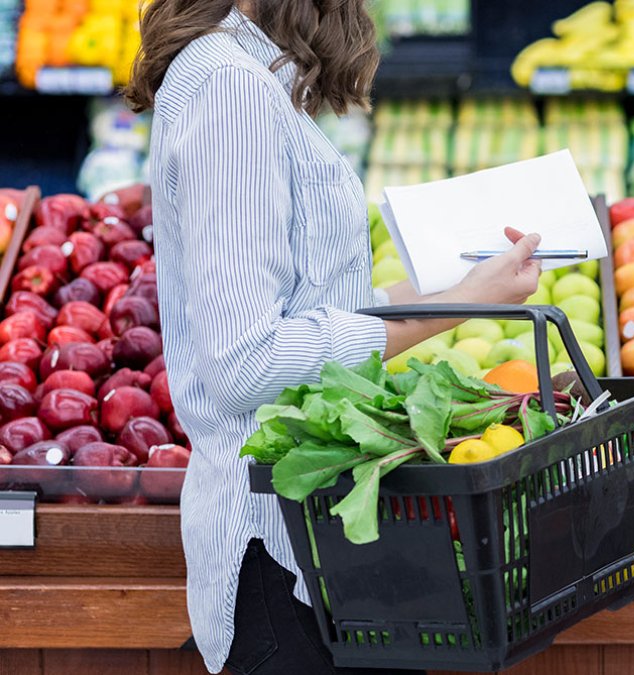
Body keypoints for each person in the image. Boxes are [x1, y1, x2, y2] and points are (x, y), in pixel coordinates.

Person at [126, 2, 542, 673]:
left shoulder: (249, 74)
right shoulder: (230, 89)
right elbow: (246, 361)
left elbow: (320, 311)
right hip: (279, 554)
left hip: (324, 548)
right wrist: (455, 308)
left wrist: (468, 287)